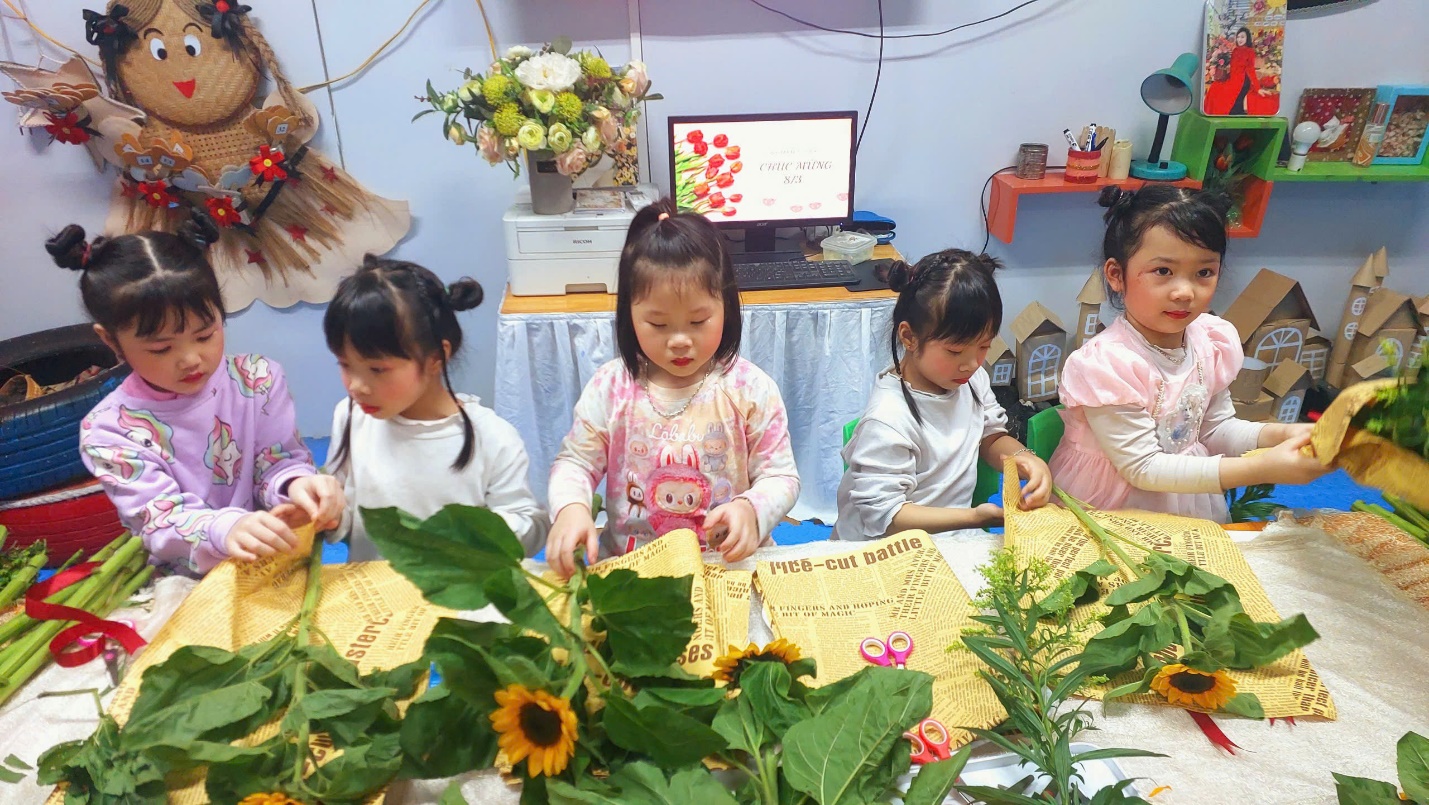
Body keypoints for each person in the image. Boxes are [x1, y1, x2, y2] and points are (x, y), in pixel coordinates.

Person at [52, 214, 342, 576]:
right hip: (183, 585)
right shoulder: (110, 431)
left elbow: (278, 462)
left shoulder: (257, 380)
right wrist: (227, 529)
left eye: (205, 335)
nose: (191, 359)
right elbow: (159, 519)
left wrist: (298, 485)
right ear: (110, 340)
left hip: (270, 566)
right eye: (161, 348)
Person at [546, 199, 800, 577]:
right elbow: (576, 463)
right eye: (659, 325)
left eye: (698, 321)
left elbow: (781, 476)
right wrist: (571, 508)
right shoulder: (611, 387)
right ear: (629, 316)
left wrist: (751, 510)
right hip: (635, 571)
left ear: (726, 307)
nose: (680, 340)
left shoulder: (749, 388)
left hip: (726, 566)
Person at [1050, 186, 1328, 522]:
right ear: (1116, 275)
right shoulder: (1108, 363)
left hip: (1185, 495)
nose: (1185, 292)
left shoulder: (1209, 341)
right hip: (1110, 507)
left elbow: (1215, 429)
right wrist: (1261, 468)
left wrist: (1281, 434)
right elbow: (1143, 468)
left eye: (1204, 273)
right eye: (1163, 271)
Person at [323, 256, 547, 560]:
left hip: (462, 590)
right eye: (345, 365)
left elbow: (532, 528)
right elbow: (346, 518)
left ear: (436, 358)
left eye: (377, 369)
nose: (356, 386)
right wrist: (326, 513)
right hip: (374, 589)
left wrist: (481, 534)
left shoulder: (494, 438)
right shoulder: (350, 416)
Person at [835, 250, 1051, 540]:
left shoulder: (971, 380)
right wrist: (973, 518)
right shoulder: (888, 419)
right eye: (955, 350)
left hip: (949, 538)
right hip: (885, 548)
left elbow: (991, 436)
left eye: (983, 346)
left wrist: (1024, 458)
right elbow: (886, 517)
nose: (971, 364)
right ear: (909, 337)